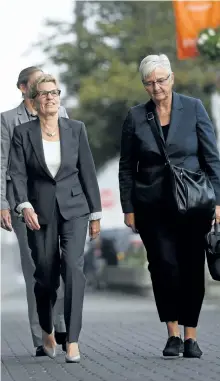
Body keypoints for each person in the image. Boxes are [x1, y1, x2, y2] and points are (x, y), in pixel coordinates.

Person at [119, 54, 220, 358]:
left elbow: (212, 157)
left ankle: (191, 336)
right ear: (144, 86)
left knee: (191, 266)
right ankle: (172, 333)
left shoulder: (193, 107)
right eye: (150, 83)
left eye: (161, 80)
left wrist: (218, 200)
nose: (157, 87)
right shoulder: (136, 116)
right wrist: (128, 207)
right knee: (163, 266)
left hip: (193, 202)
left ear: (172, 79)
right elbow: (126, 166)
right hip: (151, 205)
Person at [9, 73, 102, 363]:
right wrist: (23, 205)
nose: (50, 97)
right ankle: (47, 328)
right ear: (34, 101)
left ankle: (72, 340)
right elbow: (17, 173)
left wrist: (96, 212)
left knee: (74, 270)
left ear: (59, 98)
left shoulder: (76, 129)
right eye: (44, 93)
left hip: (75, 209)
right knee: (46, 276)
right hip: (39, 212)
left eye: (55, 92)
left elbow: (87, 169)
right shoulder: (23, 133)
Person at [0, 66, 68, 356]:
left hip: (57, 202)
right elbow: (2, 164)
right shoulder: (7, 121)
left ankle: (61, 329)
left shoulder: (60, 114)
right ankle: (41, 337)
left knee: (61, 268)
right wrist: (3, 203)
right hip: (22, 202)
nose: (44, 89)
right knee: (35, 271)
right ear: (23, 88)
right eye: (37, 83)